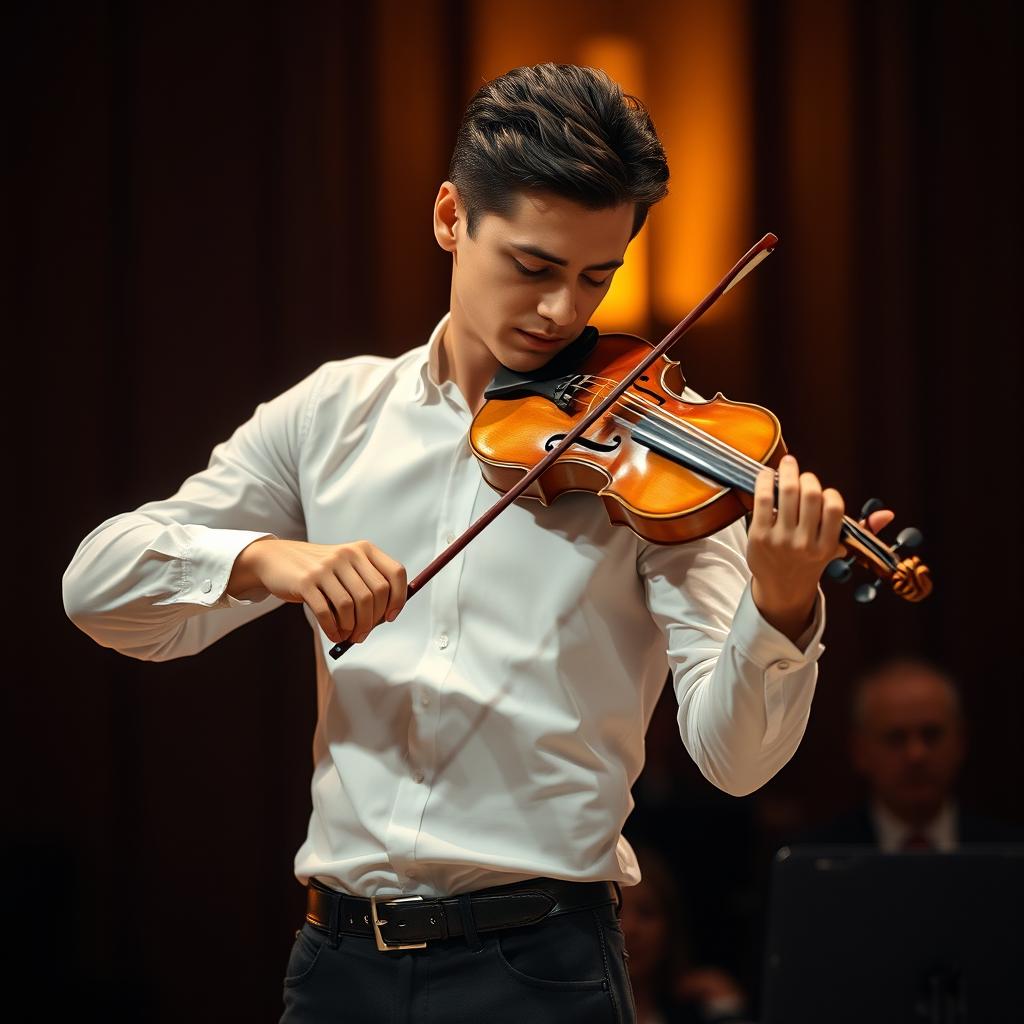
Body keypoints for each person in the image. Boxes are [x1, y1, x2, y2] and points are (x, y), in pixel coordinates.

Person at [62, 63, 887, 1023]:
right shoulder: (332, 414)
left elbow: (733, 760)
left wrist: (780, 602)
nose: (562, 314)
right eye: (534, 268)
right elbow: (100, 590)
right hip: (337, 966)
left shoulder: (664, 456)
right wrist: (273, 564)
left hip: (546, 970)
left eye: (596, 278)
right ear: (453, 217)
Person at [794, 656, 1024, 850]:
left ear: (960, 742)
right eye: (895, 738)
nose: (917, 754)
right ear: (860, 752)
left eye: (931, 735)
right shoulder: (819, 857)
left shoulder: (1008, 853)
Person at [621, 844, 754, 1024]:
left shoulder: (700, 1011)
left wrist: (726, 1008)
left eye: (646, 913)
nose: (630, 928)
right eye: (615, 913)